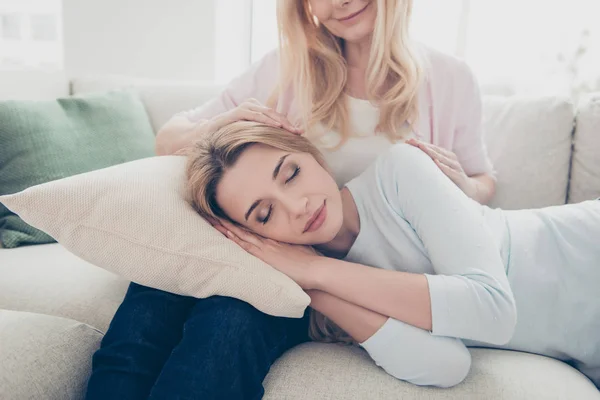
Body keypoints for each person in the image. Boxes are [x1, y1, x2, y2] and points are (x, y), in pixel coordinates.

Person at [87, 0, 499, 398]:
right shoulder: (286, 68)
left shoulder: (449, 78)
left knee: (230, 319)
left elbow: (484, 181)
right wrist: (222, 122)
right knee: (158, 284)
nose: (341, 1)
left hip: (345, 282)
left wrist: (461, 186)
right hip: (269, 252)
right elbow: (169, 140)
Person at [186, 120, 600, 388]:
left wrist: (314, 268)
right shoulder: (322, 285)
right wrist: (312, 280)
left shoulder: (399, 172)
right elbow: (445, 367)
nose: (298, 206)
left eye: (291, 173)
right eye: (265, 213)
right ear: (256, 238)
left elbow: (492, 309)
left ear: (311, 155)